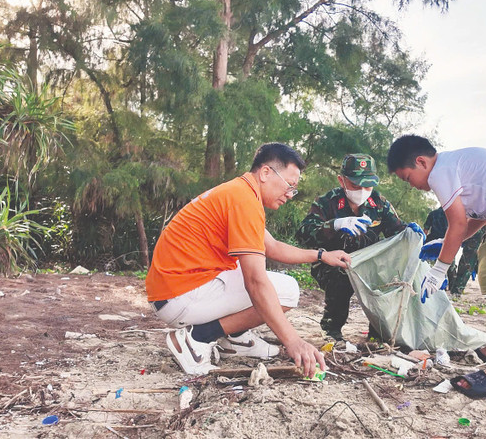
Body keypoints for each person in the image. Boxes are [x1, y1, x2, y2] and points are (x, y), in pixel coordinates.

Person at [145, 143, 351, 378]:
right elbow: (254, 281)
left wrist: (322, 255)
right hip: (179, 296)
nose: (290, 195)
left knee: (279, 287)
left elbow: (272, 247)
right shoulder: (244, 201)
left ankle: (234, 339)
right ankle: (198, 337)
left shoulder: (239, 192)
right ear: (265, 173)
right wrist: (293, 341)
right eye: (289, 186)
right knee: (287, 291)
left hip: (176, 291)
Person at [387, 135, 486, 399]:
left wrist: (439, 270)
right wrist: (445, 244)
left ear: (420, 162)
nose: (412, 186)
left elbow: (458, 224)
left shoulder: (440, 172)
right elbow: (477, 219)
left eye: (407, 178)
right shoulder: (453, 166)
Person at [296, 154, 424, 341]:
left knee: (388, 277)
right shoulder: (327, 202)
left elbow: (396, 232)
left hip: (369, 264)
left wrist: (411, 234)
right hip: (332, 263)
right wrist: (335, 225)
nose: (363, 190)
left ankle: (378, 332)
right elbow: (303, 234)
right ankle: (332, 329)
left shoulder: (378, 203)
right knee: (340, 276)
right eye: (356, 185)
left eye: (368, 185)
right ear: (342, 180)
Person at [424, 207, 485, 295]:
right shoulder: (452, 210)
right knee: (466, 261)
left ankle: (449, 287)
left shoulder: (436, 213)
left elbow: (426, 230)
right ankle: (456, 289)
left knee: (447, 262)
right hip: (472, 229)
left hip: (447, 237)